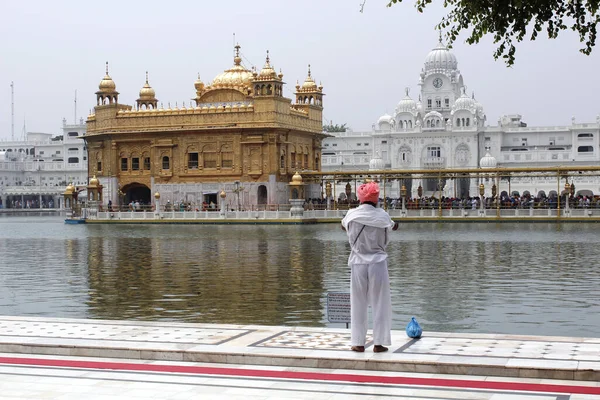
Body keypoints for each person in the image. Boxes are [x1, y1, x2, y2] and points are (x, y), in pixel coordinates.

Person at [341, 181, 398, 353]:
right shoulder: (382, 216)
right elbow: (392, 228)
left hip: (358, 262)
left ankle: (358, 342)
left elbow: (343, 225)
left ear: (360, 198)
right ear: (376, 199)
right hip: (377, 263)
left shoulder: (351, 214)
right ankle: (379, 343)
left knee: (358, 303)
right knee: (380, 303)